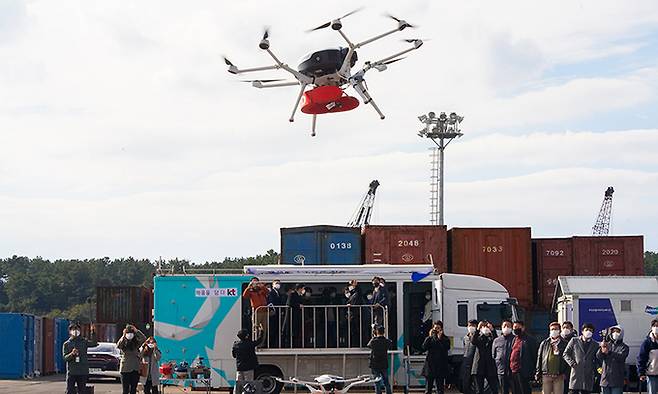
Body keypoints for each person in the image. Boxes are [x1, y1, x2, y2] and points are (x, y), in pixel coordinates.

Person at [63, 322, 98, 394]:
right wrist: (72, 354)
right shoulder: (67, 344)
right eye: (73, 329)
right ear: (70, 331)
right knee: (70, 391)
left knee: (82, 391)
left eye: (77, 329)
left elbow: (94, 343)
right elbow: (65, 358)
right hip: (72, 372)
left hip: (82, 371)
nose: (75, 331)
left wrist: (93, 332)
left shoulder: (84, 341)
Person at [563, 323, 598, 394]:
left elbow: (597, 358)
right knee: (573, 392)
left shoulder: (595, 344)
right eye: (586, 330)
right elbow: (565, 354)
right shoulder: (574, 340)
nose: (588, 332)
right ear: (582, 331)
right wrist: (572, 363)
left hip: (588, 374)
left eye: (590, 330)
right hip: (576, 372)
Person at [536, 322, 568, 394]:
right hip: (546, 374)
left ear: (559, 330)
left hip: (559, 375)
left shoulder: (565, 343)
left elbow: (567, 359)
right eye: (552, 329)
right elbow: (539, 358)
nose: (554, 331)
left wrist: (565, 373)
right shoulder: (544, 343)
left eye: (556, 329)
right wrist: (538, 373)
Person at [232, 325, 265, 394]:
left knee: (238, 385)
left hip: (239, 368)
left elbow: (234, 355)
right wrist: (261, 331)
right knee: (249, 385)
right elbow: (259, 341)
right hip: (248, 368)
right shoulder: (249, 344)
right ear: (246, 336)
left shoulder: (235, 344)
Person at [597, 325, 629, 394]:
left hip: (617, 380)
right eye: (613, 331)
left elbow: (621, 357)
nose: (615, 333)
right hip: (605, 380)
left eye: (617, 332)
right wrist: (601, 348)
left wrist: (609, 352)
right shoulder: (607, 345)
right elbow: (599, 357)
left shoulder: (624, 347)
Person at [117, 324, 147, 394]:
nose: (130, 335)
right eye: (128, 333)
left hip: (135, 369)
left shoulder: (136, 342)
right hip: (125, 369)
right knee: (125, 390)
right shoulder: (123, 342)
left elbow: (144, 339)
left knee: (133, 390)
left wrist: (137, 331)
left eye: (131, 333)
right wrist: (124, 335)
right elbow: (118, 345)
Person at [422, 321, 451, 394]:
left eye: (438, 328)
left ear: (441, 329)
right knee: (428, 389)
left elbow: (445, 348)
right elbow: (424, 347)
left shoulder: (445, 339)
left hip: (440, 367)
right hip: (430, 366)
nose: (436, 330)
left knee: (440, 389)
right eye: (435, 328)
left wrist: (439, 338)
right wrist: (429, 336)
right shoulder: (430, 338)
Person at [471, 321, 499, 394]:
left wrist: (492, 330)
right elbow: (473, 341)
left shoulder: (492, 338)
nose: (485, 329)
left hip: (490, 367)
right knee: (479, 390)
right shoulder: (479, 338)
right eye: (484, 327)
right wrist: (478, 329)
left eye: (487, 327)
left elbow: (496, 340)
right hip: (478, 367)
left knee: (494, 389)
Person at [509, 321, 536, 394]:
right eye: (514, 327)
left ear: (523, 328)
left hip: (524, 371)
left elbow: (534, 355)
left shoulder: (530, 340)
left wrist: (534, 371)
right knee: (515, 391)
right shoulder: (514, 339)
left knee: (524, 391)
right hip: (513, 370)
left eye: (518, 327)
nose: (516, 329)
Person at [243, 277, 270, 346]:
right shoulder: (250, 290)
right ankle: (255, 342)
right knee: (256, 327)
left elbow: (268, 292)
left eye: (256, 282)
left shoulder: (261, 289)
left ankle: (262, 343)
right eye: (254, 282)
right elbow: (245, 296)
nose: (255, 283)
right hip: (256, 311)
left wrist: (262, 286)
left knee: (264, 328)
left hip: (264, 311)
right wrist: (249, 286)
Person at [368, 324, 393, 394]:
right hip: (384, 364)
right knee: (386, 381)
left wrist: (374, 336)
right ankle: (388, 392)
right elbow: (390, 344)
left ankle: (378, 393)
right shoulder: (387, 341)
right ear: (384, 332)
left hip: (375, 364)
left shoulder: (374, 341)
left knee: (377, 381)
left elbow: (368, 345)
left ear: (376, 332)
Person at [493, 319, 515, 394]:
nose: (506, 327)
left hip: (513, 370)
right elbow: (494, 354)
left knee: (515, 390)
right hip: (501, 370)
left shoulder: (515, 339)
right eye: (504, 326)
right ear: (501, 327)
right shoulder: (497, 340)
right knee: (503, 391)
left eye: (508, 326)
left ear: (511, 328)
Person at [637, 319, 658, 394]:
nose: (656, 328)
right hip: (652, 374)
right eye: (654, 326)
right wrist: (641, 373)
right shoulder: (647, 343)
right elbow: (641, 358)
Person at [282, 283, 305, 348]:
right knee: (290, 330)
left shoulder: (299, 295)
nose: (303, 290)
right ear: (299, 289)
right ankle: (289, 345)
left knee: (296, 331)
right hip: (292, 316)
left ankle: (296, 344)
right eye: (303, 288)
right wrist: (298, 305)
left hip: (297, 316)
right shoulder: (292, 294)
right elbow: (289, 303)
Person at [460, 320, 479, 394]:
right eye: (469, 325)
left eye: (473, 325)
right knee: (465, 385)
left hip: (475, 364)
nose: (471, 327)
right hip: (466, 364)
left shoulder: (479, 337)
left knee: (476, 386)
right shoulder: (465, 337)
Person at [267, 279, 285, 347]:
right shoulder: (271, 292)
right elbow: (270, 302)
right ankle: (270, 344)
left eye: (279, 283)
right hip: (273, 313)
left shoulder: (279, 293)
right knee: (272, 329)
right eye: (276, 283)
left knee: (276, 329)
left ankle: (275, 344)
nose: (278, 284)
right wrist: (272, 309)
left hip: (278, 313)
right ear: (273, 284)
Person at [345, 280, 364, 347]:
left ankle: (357, 344)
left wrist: (355, 285)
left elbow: (359, 293)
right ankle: (351, 344)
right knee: (351, 331)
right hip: (351, 315)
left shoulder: (356, 293)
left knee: (356, 330)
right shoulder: (351, 295)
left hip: (355, 315)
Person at [560, 321, 577, 394]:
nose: (565, 329)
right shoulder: (559, 340)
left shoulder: (576, 340)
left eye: (567, 327)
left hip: (573, 369)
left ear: (572, 329)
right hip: (561, 370)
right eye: (564, 327)